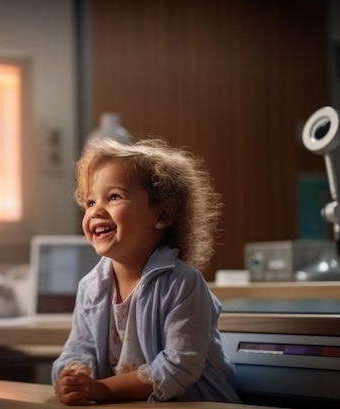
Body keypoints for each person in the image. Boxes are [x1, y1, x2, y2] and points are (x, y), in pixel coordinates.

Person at [52, 137, 241, 405]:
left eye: (114, 197)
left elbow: (178, 365)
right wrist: (74, 376)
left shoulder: (183, 284)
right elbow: (79, 348)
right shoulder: (90, 287)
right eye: (91, 202)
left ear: (162, 215)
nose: (95, 211)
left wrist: (104, 390)